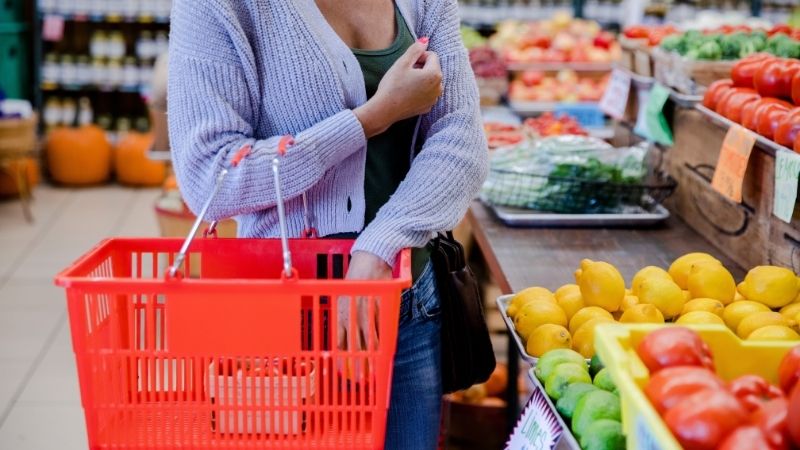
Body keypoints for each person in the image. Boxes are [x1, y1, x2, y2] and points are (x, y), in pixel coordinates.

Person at [168, 1, 488, 448]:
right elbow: (210, 178)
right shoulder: (222, 7)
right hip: (281, 316)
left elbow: (462, 142)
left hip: (408, 303)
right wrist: (371, 118)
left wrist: (380, 244)